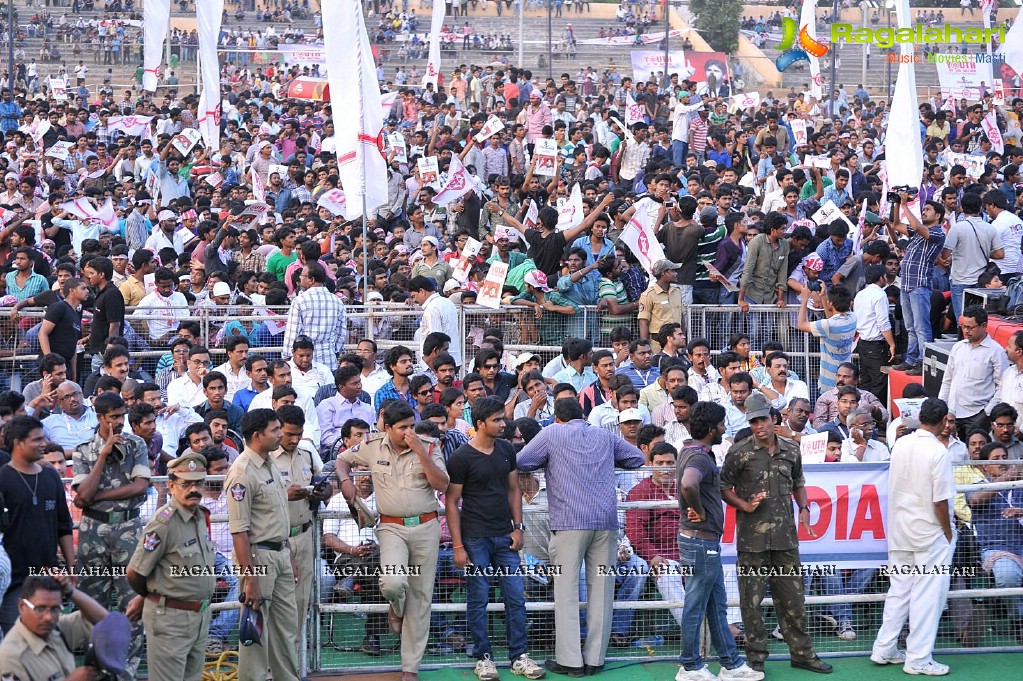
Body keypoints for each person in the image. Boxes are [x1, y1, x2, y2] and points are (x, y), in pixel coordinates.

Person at [517, 398, 645, 676]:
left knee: (567, 590)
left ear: (558, 419)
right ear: (583, 415)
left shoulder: (552, 433)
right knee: (602, 590)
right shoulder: (603, 435)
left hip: (570, 522)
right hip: (605, 521)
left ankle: (570, 660)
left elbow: (522, 461)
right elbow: (637, 458)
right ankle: (595, 658)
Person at [719, 393, 832, 675]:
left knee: (793, 600)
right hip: (751, 541)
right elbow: (723, 487)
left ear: (774, 419)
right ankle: (756, 657)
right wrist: (743, 504)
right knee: (752, 603)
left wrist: (804, 506)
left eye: (762, 420)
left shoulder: (792, 449)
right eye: (753, 421)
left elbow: (799, 482)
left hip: (785, 539)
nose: (759, 426)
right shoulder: (739, 451)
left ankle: (802, 654)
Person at [337, 401, 450, 681]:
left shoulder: (430, 445)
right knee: (392, 583)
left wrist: (421, 450)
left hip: (426, 525)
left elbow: (442, 484)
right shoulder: (372, 445)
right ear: (387, 428)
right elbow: (341, 460)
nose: (409, 432)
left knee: (421, 599)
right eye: (402, 428)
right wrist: (345, 481)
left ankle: (410, 668)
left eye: (412, 426)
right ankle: (396, 607)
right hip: (390, 528)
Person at [445, 397, 545, 680]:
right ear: (480, 424)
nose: (504, 424)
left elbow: (514, 489)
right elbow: (452, 502)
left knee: (516, 597)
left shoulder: (505, 449)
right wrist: (458, 544)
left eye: (503, 418)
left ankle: (519, 656)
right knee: (479, 599)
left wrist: (518, 527)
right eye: (497, 420)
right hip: (475, 539)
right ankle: (483, 657)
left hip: (505, 536)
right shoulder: (461, 458)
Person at [676, 401, 764, 681]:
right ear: (712, 428)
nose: (725, 428)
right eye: (722, 424)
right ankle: (690, 665)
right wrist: (700, 510)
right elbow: (688, 484)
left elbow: (691, 485)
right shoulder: (699, 457)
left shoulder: (693, 451)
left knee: (716, 605)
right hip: (700, 543)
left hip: (703, 543)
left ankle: (731, 663)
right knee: (696, 606)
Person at [871, 398, 956, 676]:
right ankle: (918, 658)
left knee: (900, 591)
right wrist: (947, 530)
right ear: (944, 422)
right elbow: (940, 500)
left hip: (900, 530)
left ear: (920, 416)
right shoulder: (939, 452)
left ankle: (884, 648)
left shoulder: (901, 444)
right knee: (927, 596)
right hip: (929, 533)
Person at [71, 392, 149, 680]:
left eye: (122, 416)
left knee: (132, 601)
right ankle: (96, 667)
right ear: (101, 417)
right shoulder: (83, 450)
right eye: (114, 417)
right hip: (94, 533)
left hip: (128, 529)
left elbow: (140, 486)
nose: (120, 422)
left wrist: (97, 495)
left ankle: (126, 669)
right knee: (93, 602)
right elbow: (82, 495)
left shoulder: (136, 444)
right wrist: (103, 454)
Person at [126, 452, 217, 681]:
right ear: (171, 485)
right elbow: (135, 572)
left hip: (199, 615)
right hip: (171, 619)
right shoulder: (163, 523)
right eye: (186, 484)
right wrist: (149, 595)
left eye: (198, 483)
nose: (193, 489)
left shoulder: (199, 516)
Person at [226, 409, 301, 681]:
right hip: (258, 558)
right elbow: (239, 531)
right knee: (254, 634)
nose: (280, 434)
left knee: (286, 630)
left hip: (279, 553)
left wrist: (289, 554)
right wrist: (250, 579)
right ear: (257, 436)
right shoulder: (242, 472)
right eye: (274, 430)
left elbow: (277, 517)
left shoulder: (269, 463)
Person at [0, 416, 76, 635]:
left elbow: (64, 525)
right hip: (13, 580)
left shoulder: (51, 476)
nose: (44, 444)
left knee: (48, 638)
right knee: (16, 641)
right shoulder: (3, 478)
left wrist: (71, 568)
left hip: (47, 576)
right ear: (18, 443)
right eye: (37, 440)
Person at [270, 405, 332, 638]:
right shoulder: (266, 458)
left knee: (300, 601)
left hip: (305, 535)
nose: (295, 439)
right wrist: (284, 495)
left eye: (299, 434)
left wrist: (321, 491)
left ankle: (292, 662)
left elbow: (322, 483)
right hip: (276, 538)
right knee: (276, 602)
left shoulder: (306, 453)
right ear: (277, 430)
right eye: (289, 434)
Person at [0, 574, 110, 681]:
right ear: (22, 606)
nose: (48, 617)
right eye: (40, 608)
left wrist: (71, 591)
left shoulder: (56, 629)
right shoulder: (11, 656)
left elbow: (104, 620)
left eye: (55, 609)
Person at [939, 306, 1008, 438]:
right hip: (952, 413)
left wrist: (986, 413)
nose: (965, 331)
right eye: (963, 326)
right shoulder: (958, 347)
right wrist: (942, 407)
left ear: (983, 326)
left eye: (970, 327)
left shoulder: (996, 351)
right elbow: (947, 380)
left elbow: (1002, 387)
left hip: (977, 416)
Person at [282, 261, 347, 371]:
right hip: (329, 360)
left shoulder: (300, 301)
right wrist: (335, 351)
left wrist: (287, 357)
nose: (300, 277)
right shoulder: (337, 301)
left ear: (311, 280)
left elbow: (292, 332)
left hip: (304, 362)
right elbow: (341, 333)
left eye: (302, 275)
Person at [853, 264, 896, 404]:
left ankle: (863, 413)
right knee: (880, 380)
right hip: (876, 346)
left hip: (863, 343)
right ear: (881, 278)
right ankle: (877, 417)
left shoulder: (860, 294)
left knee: (866, 380)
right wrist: (892, 344)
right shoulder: (879, 294)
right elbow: (883, 323)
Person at [410, 275, 463, 368]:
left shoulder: (432, 307)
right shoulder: (447, 302)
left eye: (414, 296)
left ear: (422, 291)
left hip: (439, 364)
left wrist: (434, 365)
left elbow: (436, 339)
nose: (414, 300)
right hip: (452, 360)